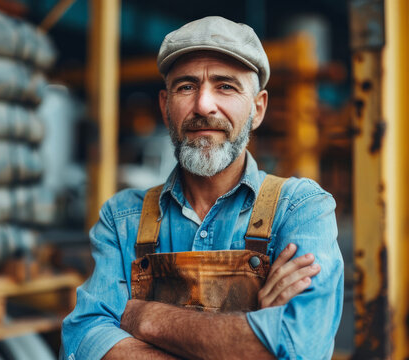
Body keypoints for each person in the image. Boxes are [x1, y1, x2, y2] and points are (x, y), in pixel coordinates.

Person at [62, 16, 344, 360]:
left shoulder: (301, 209)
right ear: (166, 107)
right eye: (186, 86)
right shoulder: (123, 218)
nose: (203, 105)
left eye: (226, 86)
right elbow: (82, 341)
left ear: (257, 109)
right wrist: (253, 331)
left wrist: (145, 317)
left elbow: (302, 347)